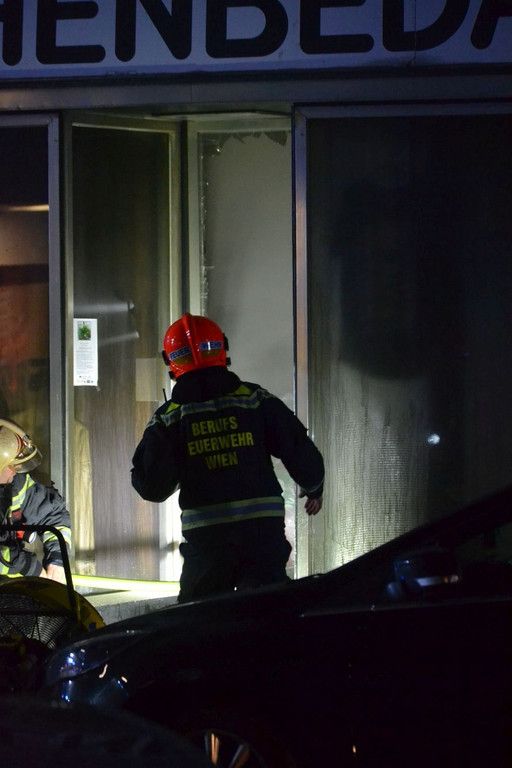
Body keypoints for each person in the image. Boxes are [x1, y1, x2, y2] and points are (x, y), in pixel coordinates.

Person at [131, 312, 324, 603]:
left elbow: (151, 486)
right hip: (262, 536)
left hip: (208, 542)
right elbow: (297, 446)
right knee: (269, 613)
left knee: (202, 618)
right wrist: (314, 486)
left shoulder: (169, 419)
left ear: (170, 361)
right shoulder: (255, 400)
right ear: (222, 348)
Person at [0, 418, 72, 583]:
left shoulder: (17, 484)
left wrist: (57, 559)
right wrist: (30, 567)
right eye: (11, 466)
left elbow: (54, 514)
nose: (15, 472)